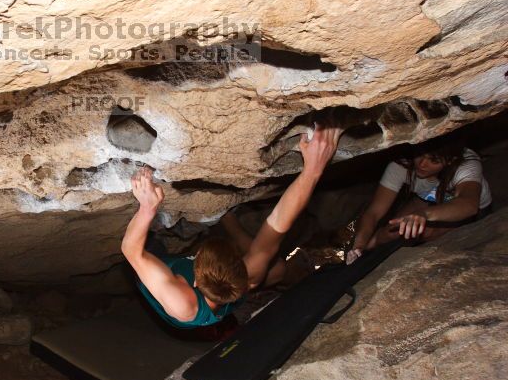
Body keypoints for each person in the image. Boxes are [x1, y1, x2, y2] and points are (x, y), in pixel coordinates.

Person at [121, 126, 342, 329]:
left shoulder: (182, 303)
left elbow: (131, 251)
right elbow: (278, 223)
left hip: (165, 283)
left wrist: (147, 208)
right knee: (275, 269)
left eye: (197, 256)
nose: (195, 254)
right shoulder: (250, 278)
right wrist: (313, 170)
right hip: (220, 284)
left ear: (196, 281)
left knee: (147, 250)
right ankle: (228, 220)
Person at [347, 136, 492, 264]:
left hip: (464, 209)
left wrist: (424, 214)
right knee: (390, 231)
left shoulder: (466, 163)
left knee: (423, 232)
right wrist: (359, 245)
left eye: (434, 160)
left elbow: (468, 204)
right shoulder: (401, 165)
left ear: (450, 161)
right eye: (420, 155)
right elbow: (374, 212)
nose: (422, 164)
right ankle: (360, 256)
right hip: (427, 199)